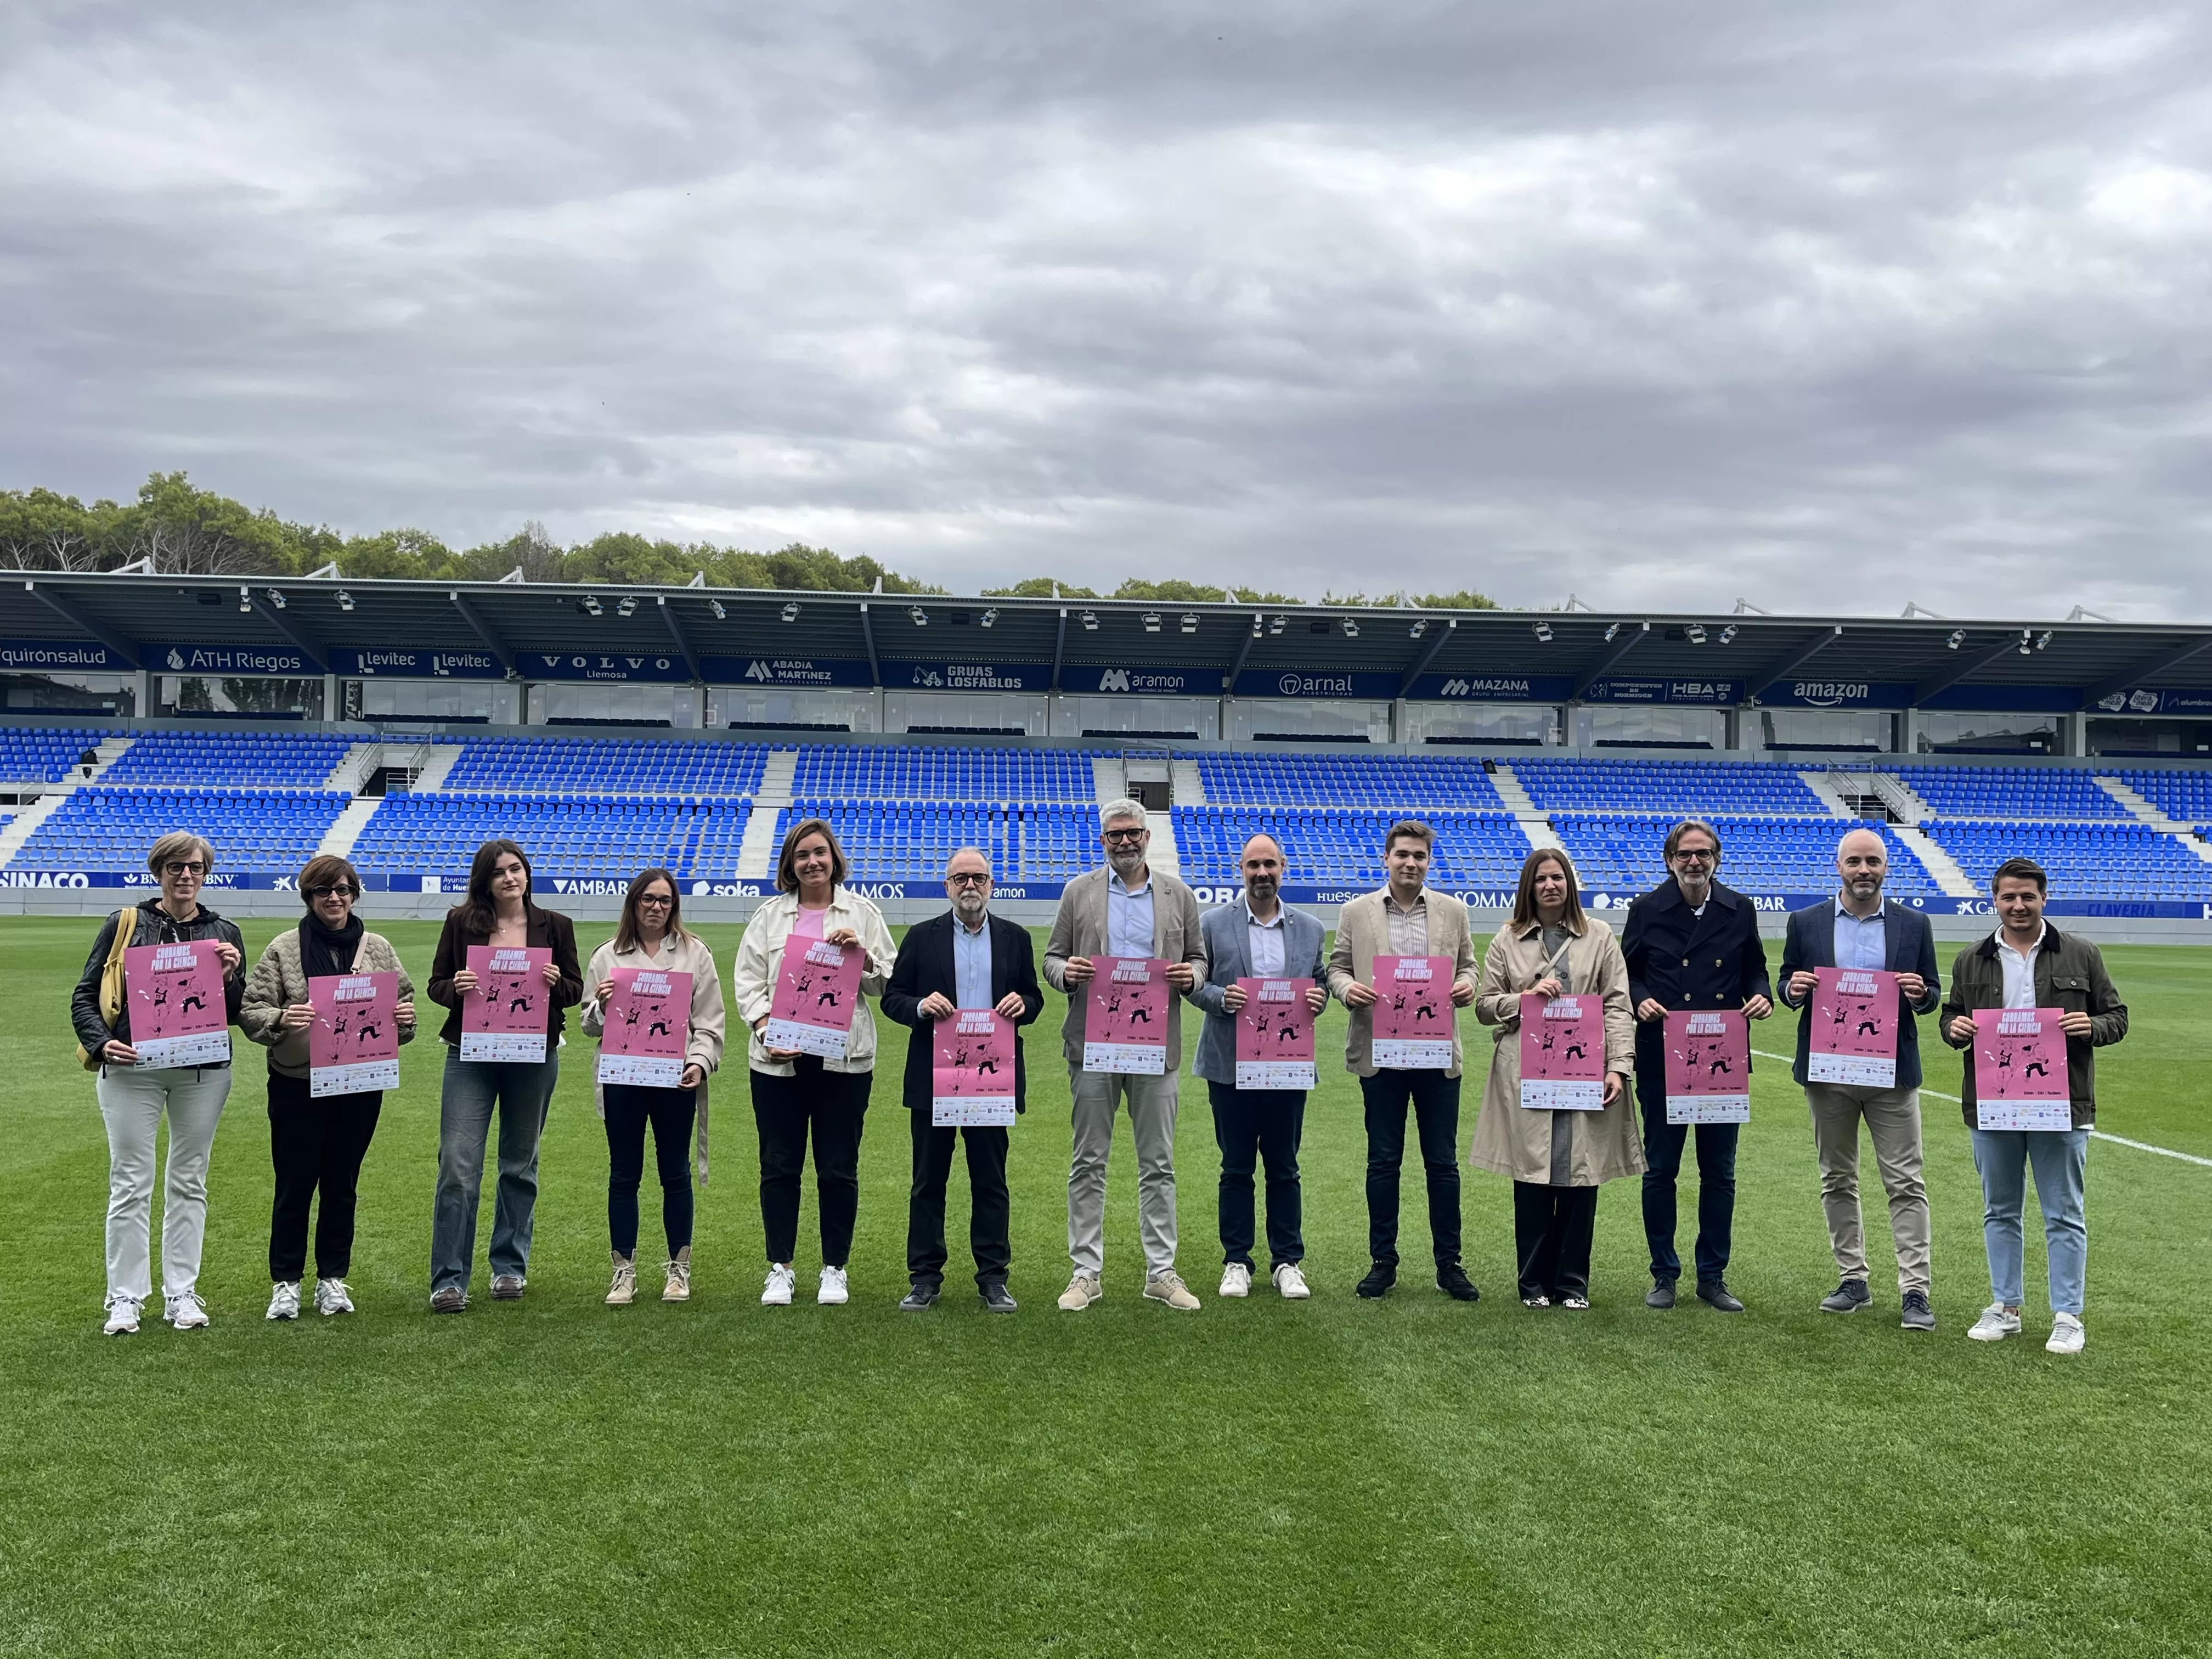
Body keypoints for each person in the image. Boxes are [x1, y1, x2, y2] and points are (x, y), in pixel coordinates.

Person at [1939, 857, 2126, 1355]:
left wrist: (2092, 1026)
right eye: (2008, 897)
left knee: (2063, 1213)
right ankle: (2006, 1307)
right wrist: (1953, 1030)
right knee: (2000, 1211)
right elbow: (1952, 1014)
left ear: (2045, 898)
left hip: (2060, 1104)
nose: (2018, 905)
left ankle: (2068, 1315)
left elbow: (2117, 1016)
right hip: (1993, 1102)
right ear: (1994, 901)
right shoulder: (1970, 958)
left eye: (2028, 896)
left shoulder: (2082, 954)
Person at [71, 832, 246, 1335]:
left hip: (202, 1074)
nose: (185, 875)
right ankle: (124, 1297)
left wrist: (232, 976)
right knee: (130, 1182)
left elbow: (236, 1013)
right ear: (159, 872)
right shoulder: (125, 924)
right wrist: (102, 1043)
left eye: (194, 867)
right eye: (175, 867)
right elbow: (84, 995)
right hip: (131, 1071)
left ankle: (181, 1292)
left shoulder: (225, 931)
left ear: (205, 873)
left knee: (190, 1181)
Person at [1042, 798, 1207, 1312]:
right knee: (1088, 1161)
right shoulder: (1079, 892)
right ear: (1104, 841)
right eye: (1115, 835)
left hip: (1157, 1046)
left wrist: (1192, 976)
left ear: (1147, 837)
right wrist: (1066, 974)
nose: (1126, 842)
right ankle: (1085, 1273)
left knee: (1158, 1163)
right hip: (1093, 1044)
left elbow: (1200, 959)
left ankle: (1161, 1272)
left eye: (1133, 833)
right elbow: (1050, 958)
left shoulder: (1178, 895)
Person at [239, 855, 417, 1321]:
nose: (334, 899)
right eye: (324, 892)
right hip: (298, 1083)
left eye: (343, 890)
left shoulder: (377, 947)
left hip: (360, 1083)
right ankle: (286, 1282)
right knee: (295, 1183)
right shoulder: (284, 948)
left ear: (355, 894)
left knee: (343, 1184)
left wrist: (404, 1021)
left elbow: (405, 1006)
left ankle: (332, 1278)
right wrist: (280, 1018)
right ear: (309, 897)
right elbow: (251, 1010)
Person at [1778, 826, 1943, 1330]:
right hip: (1830, 1075)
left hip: (1892, 1073)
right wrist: (1794, 989)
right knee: (1837, 1178)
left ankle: (1915, 1290)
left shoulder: (1913, 923)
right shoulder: (1806, 922)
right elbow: (1785, 981)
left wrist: (1920, 994)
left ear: (1885, 867)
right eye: (1855, 861)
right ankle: (1853, 1278)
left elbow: (1933, 991)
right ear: (1839, 867)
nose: (1864, 870)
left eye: (1872, 861)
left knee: (1906, 1181)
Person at [731, 817, 896, 1308]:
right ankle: (780, 1267)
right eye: (802, 855)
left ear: (834, 858)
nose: (812, 862)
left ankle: (834, 1268)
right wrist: (765, 1030)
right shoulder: (768, 917)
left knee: (838, 1168)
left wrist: (863, 958)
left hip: (844, 1062)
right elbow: (748, 983)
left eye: (820, 853)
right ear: (790, 864)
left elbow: (889, 981)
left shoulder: (863, 912)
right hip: (779, 1063)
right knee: (779, 1165)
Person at [1470, 847, 1638, 1308]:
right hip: (1526, 1072)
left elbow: (1618, 1005)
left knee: (1581, 1176)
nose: (1550, 886)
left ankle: (1572, 1283)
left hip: (1586, 1067)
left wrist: (1619, 1067)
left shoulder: (1600, 935)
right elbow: (1485, 1006)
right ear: (1529, 886)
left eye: (1558, 878)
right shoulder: (1508, 938)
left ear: (1570, 884)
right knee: (1531, 1175)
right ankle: (1532, 1284)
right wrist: (1524, 998)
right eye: (1542, 878)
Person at [1620, 819, 1773, 1313]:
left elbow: (1755, 966)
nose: (1694, 862)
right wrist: (1639, 999)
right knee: (1661, 1170)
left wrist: (1760, 995)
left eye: (1703, 854)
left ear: (1716, 859)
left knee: (1719, 1173)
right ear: (1670, 860)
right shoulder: (1646, 909)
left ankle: (1713, 1275)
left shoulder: (1739, 908)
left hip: (1720, 1058)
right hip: (1663, 1055)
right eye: (1685, 854)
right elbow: (1627, 972)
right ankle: (1664, 1273)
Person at [882, 847, 1043, 1312]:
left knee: (990, 1182)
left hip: (992, 1079)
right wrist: (919, 1007)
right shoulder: (920, 936)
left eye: (978, 878)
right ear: (947, 886)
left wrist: (1023, 1006)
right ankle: (924, 1278)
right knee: (928, 1181)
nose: (970, 886)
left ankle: (993, 1277)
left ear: (991, 884)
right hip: (934, 1078)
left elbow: (1034, 999)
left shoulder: (1015, 938)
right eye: (960, 879)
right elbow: (893, 997)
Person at [425, 840, 583, 1312]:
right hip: (470, 1055)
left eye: (516, 869)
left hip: (534, 1056)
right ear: (485, 881)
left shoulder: (555, 926)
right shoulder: (461, 923)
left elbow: (575, 989)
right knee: (457, 1165)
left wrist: (557, 984)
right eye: (499, 873)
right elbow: (436, 984)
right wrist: (456, 987)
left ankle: (509, 1268)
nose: (510, 878)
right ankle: (449, 1279)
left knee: (520, 1163)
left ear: (527, 874)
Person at [1328, 819, 1481, 1302]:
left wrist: (1468, 986)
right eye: (1403, 855)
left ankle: (1449, 1265)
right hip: (1382, 1055)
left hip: (1436, 1057)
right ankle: (1383, 1261)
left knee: (1443, 1165)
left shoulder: (1453, 912)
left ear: (1428, 862)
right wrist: (1345, 989)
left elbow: (1470, 966)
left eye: (1419, 856)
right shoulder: (1356, 912)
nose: (1411, 863)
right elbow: (1337, 967)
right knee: (1383, 1162)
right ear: (1387, 859)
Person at [1188, 833, 1327, 1301]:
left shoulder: (1309, 928)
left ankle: (1287, 1261)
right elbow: (1193, 983)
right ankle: (1236, 1260)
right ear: (1241, 869)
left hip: (1287, 1065)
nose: (1262, 873)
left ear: (1283, 867)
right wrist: (1219, 999)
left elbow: (1321, 982)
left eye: (1270, 865)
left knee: (1285, 1166)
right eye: (1253, 865)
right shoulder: (1211, 924)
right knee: (1236, 1167)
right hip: (1229, 1064)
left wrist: (1320, 997)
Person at [582, 868, 726, 1307]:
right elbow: (588, 1025)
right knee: (624, 1174)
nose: (656, 907)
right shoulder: (607, 956)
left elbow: (710, 1021)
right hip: (623, 1078)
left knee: (675, 1172)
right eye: (648, 899)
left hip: (674, 1079)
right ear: (633, 902)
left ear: (674, 905)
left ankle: (678, 1269)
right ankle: (623, 1272)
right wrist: (602, 1004)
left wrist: (700, 1063)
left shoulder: (694, 953)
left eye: (665, 900)